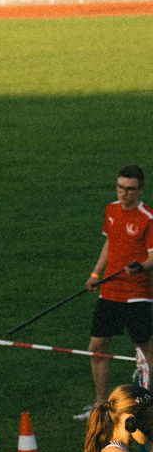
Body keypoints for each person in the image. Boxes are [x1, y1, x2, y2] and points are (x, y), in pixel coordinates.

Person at [85, 166, 153, 403]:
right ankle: (101, 404)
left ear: (140, 190)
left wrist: (141, 267)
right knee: (97, 347)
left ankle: (147, 402)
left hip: (137, 293)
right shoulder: (111, 210)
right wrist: (95, 273)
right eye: (120, 188)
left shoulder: (148, 218)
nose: (124, 194)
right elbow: (109, 245)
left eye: (130, 190)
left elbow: (152, 256)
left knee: (145, 349)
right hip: (110, 290)